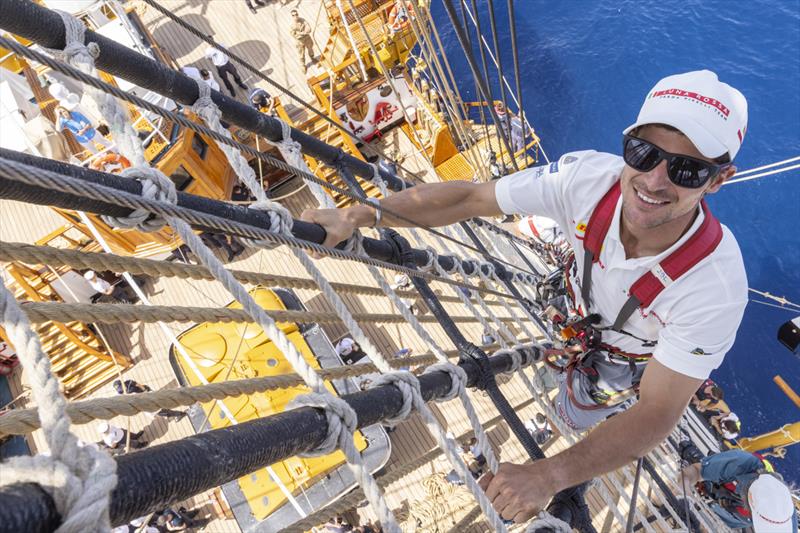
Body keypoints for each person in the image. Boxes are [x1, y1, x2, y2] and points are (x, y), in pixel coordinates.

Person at [301, 70, 749, 521]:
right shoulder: (587, 181)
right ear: (627, 143)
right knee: (561, 380)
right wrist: (358, 216)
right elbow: (470, 199)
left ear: (718, 180)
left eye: (687, 169)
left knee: (580, 409)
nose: (653, 180)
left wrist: (551, 475)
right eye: (643, 152)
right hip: (571, 309)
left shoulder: (714, 287)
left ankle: (573, 407)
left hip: (623, 359)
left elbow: (657, 408)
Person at [681, 447, 797, 531]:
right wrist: (686, 497)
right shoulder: (741, 463)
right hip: (723, 491)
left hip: (737, 516)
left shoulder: (784, 509)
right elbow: (693, 472)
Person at [113, 379, 188, 421]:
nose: (122, 390)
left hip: (146, 396)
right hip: (144, 399)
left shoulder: (129, 384)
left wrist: (145, 391)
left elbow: (139, 385)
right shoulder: (122, 390)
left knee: (161, 411)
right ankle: (179, 393)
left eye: (121, 388)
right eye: (120, 390)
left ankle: (180, 413)